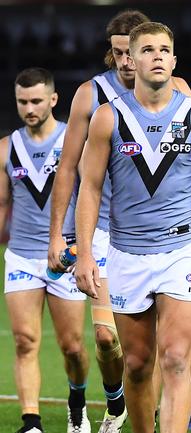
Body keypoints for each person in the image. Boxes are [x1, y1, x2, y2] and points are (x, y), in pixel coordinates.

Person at [74, 22, 191, 433]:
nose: (157, 56)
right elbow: (89, 189)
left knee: (177, 358)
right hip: (126, 254)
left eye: (165, 50)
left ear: (175, 60)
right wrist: (87, 254)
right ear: (131, 59)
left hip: (181, 252)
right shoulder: (107, 118)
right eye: (147, 50)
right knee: (139, 365)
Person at [47, 10, 191, 432]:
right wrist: (60, 235)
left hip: (171, 237)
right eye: (120, 53)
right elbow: (70, 170)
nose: (129, 62)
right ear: (116, 53)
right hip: (109, 234)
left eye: (140, 51)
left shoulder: (179, 92)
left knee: (176, 350)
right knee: (113, 343)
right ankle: (117, 403)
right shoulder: (90, 97)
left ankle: (177, 408)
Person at [0, 68, 90, 433]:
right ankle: (31, 422)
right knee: (24, 340)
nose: (29, 107)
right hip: (21, 255)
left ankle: (77, 403)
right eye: (23, 101)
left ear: (53, 100)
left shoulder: (75, 140)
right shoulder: (6, 148)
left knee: (72, 346)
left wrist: (84, 248)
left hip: (65, 257)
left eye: (36, 100)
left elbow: (92, 195)